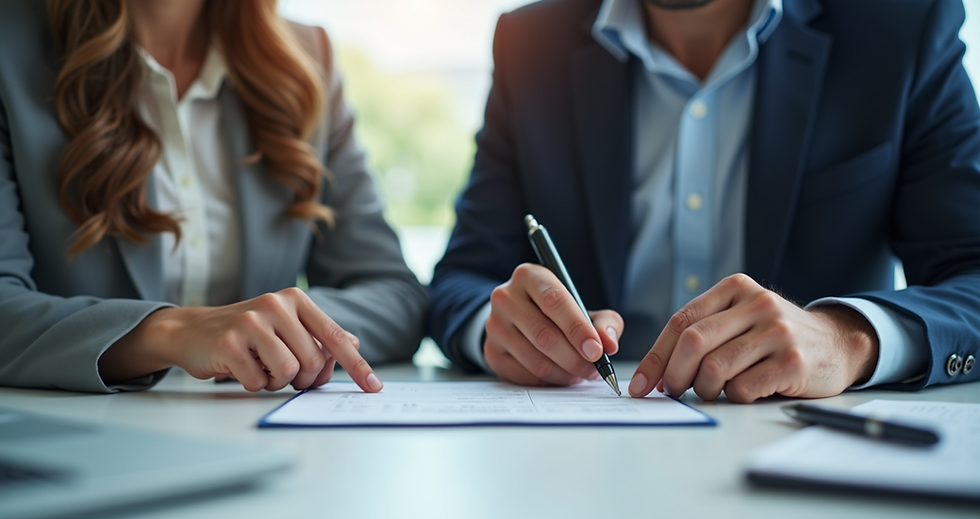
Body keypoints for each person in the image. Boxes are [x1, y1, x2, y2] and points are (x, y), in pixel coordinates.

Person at [429, 0, 980, 402]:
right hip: (583, 452)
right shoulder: (531, 42)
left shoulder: (902, 26)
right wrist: (495, 329)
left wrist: (847, 339)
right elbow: (462, 280)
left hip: (801, 450)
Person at [0, 0, 428, 393]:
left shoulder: (305, 56)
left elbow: (395, 296)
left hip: (250, 430)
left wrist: (279, 333)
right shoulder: (10, 44)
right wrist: (171, 333)